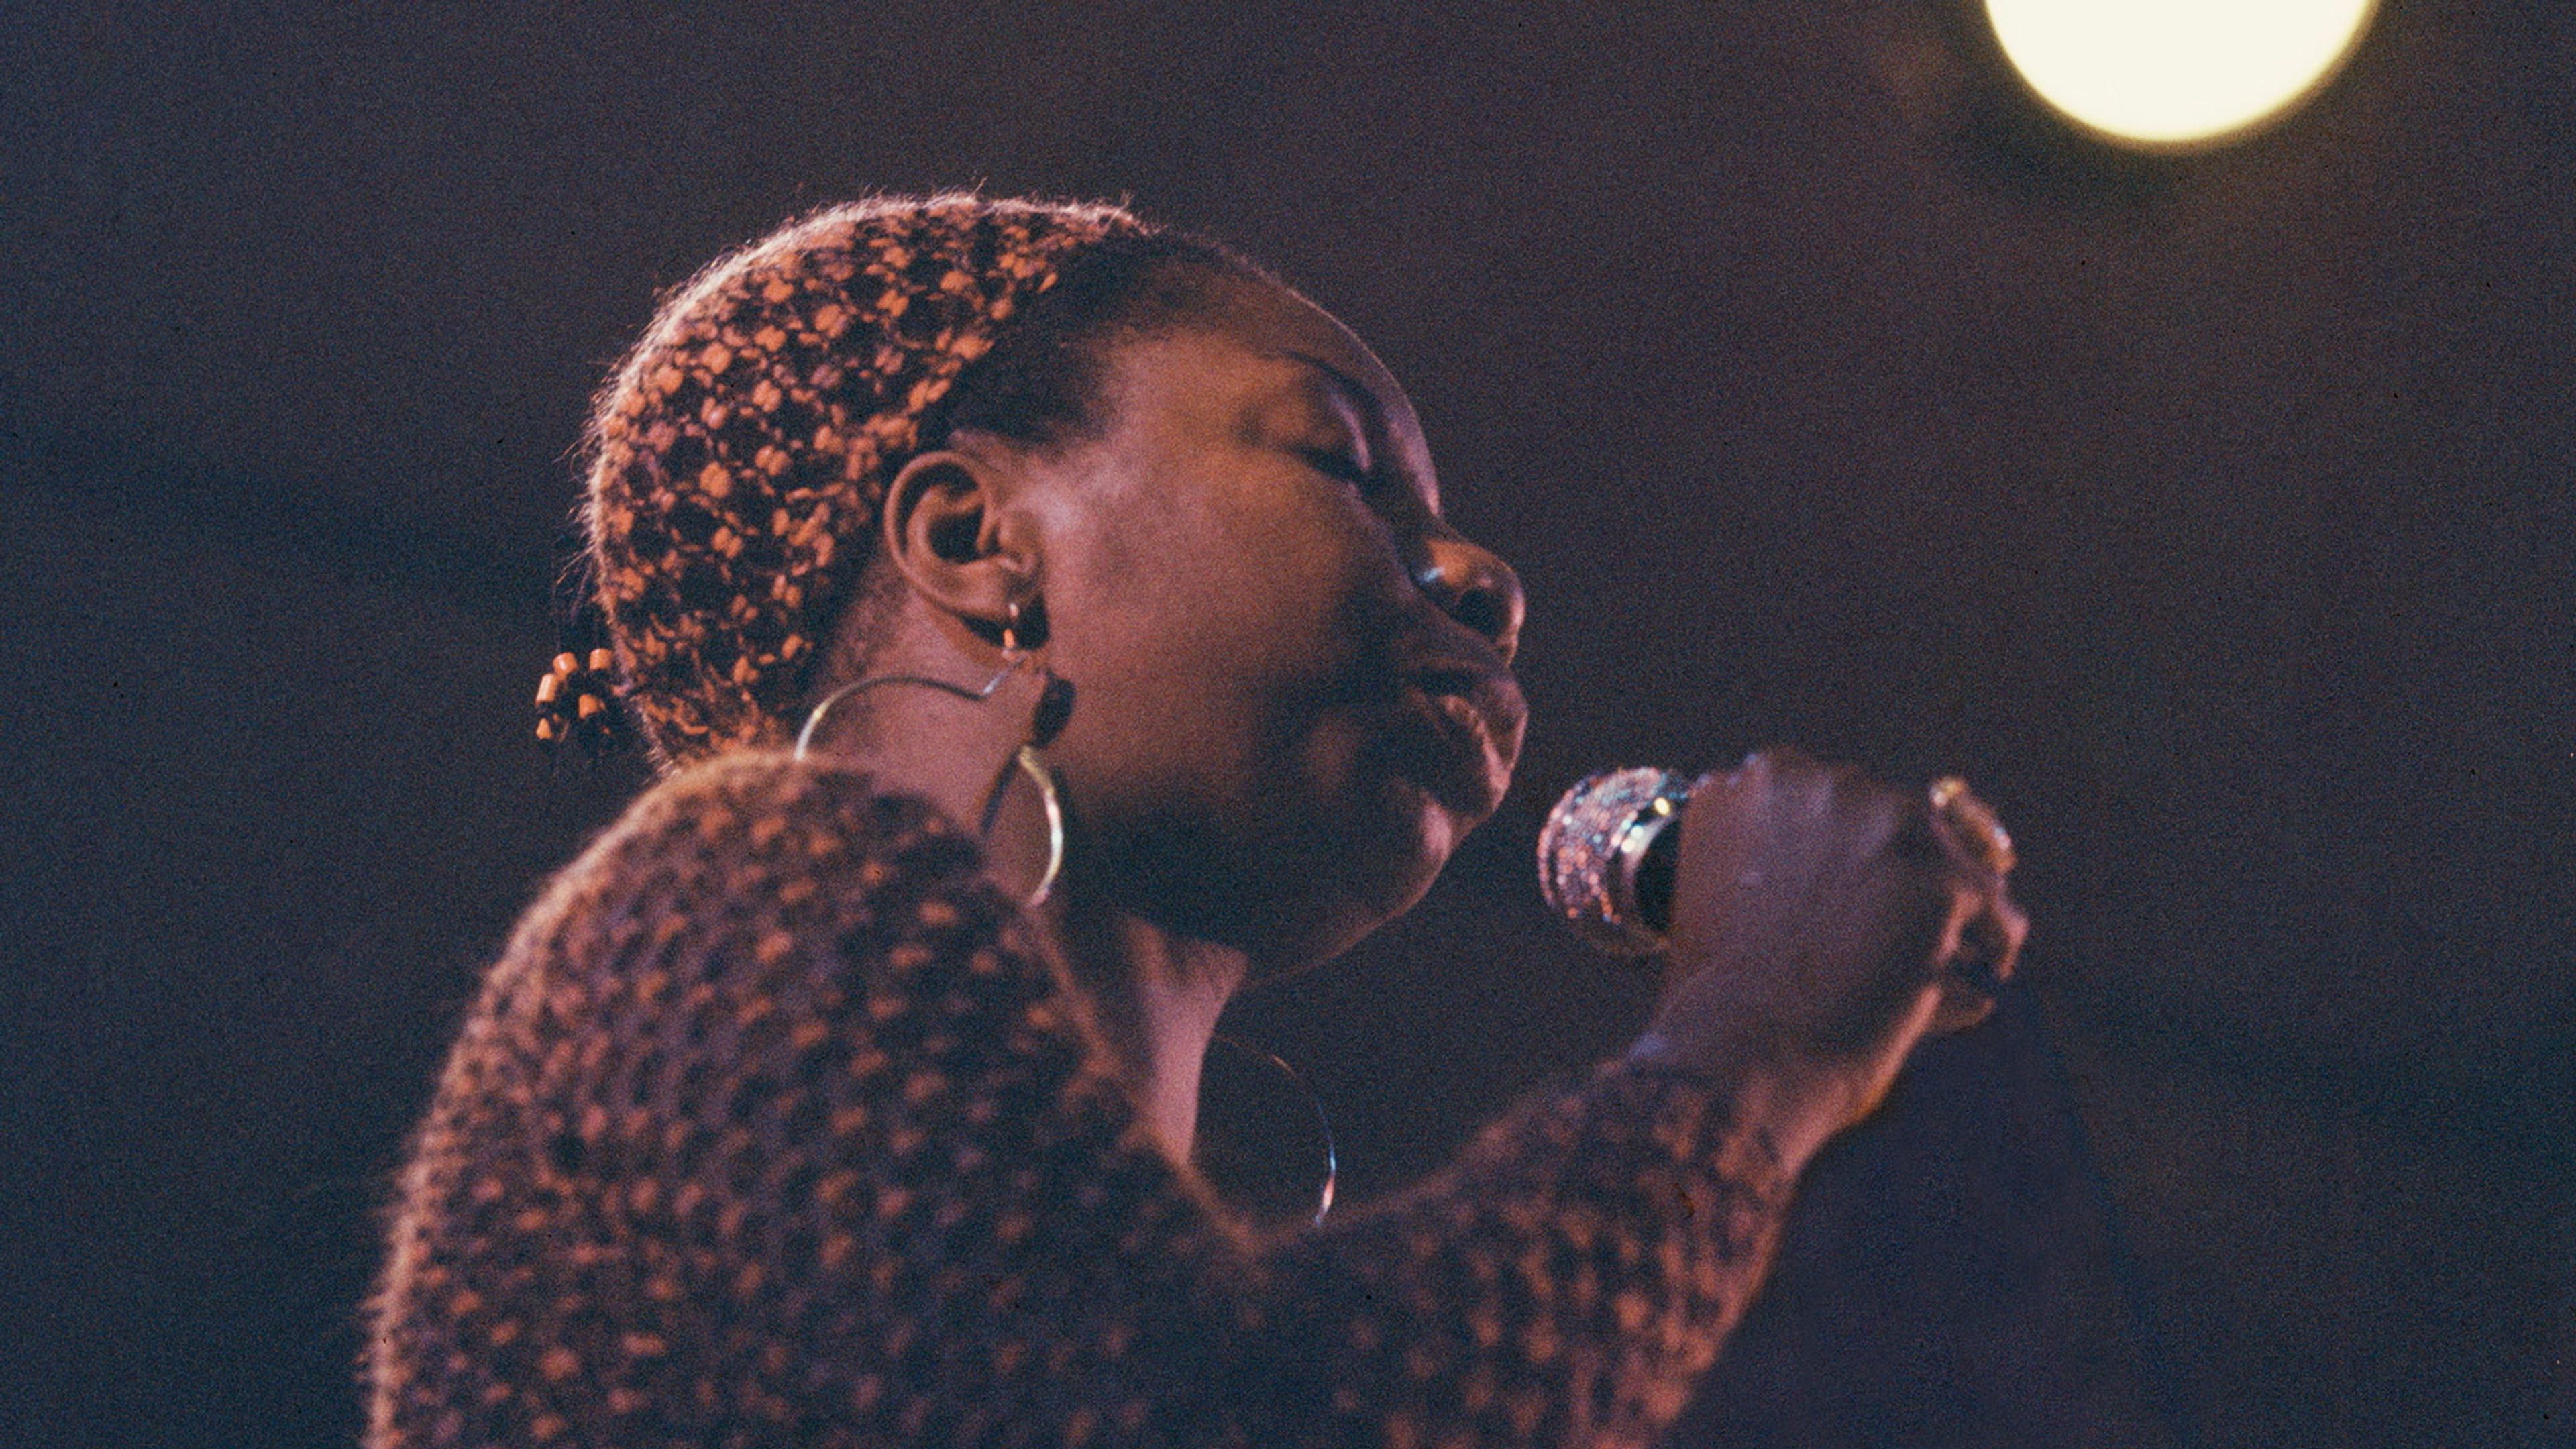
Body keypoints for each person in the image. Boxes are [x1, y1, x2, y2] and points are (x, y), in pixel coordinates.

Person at [368, 194, 2025, 1449]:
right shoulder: (732, 905)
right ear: (973, 536)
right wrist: (1749, 1052)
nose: (1482, 581)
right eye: (1345, 462)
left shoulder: (1155, 1272)